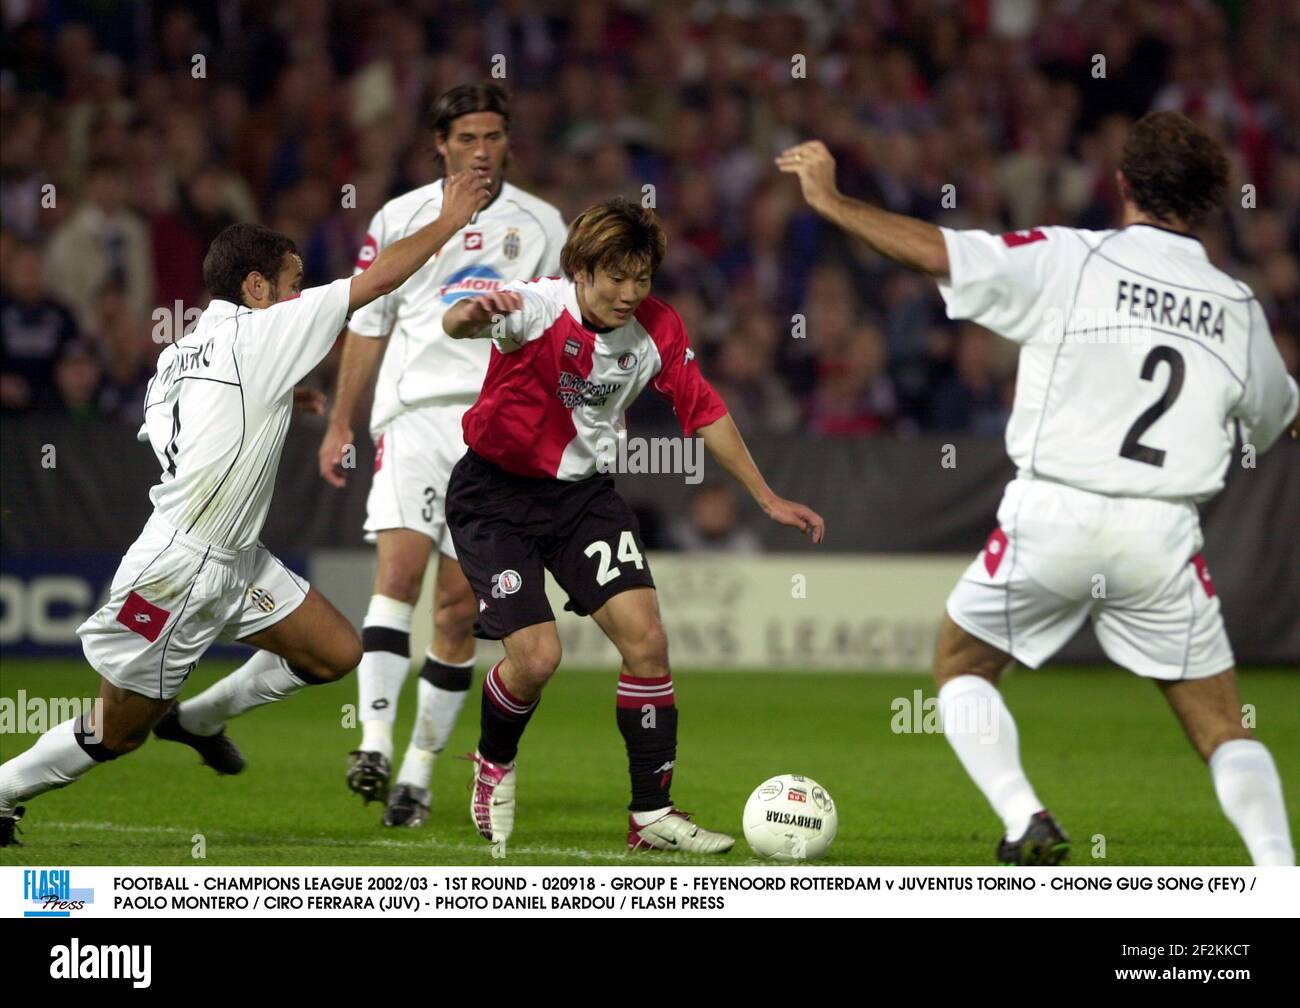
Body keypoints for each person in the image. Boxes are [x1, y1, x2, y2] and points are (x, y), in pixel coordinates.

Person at [778, 111, 1298, 866]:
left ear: (1120, 183)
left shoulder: (1069, 257)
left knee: (961, 666)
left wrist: (831, 201)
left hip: (1055, 510)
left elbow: (935, 250)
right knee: (1222, 727)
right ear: (1210, 202)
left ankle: (1026, 817)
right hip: (1162, 534)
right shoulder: (1238, 308)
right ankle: (1280, 877)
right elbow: (1280, 416)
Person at [0, 170, 491, 847]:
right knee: (117, 732)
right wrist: (447, 221)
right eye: (292, 285)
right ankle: (4, 790)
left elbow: (180, 424)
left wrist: (282, 399)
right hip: (177, 573)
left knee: (334, 652)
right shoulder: (259, 337)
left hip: (232, 559)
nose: (299, 297)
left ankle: (198, 718)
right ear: (256, 288)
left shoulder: (180, 353)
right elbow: (374, 282)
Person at [439, 197, 826, 856]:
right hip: (495, 498)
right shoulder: (536, 306)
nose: (628, 292)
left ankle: (651, 814)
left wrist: (764, 497)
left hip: (583, 499)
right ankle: (493, 765)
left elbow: (703, 410)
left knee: (646, 639)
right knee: (536, 660)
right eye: (614, 276)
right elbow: (459, 322)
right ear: (581, 271)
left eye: (641, 277)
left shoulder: (659, 329)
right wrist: (471, 314)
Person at [317, 82, 567, 828]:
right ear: (440, 144)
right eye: (467, 139)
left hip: (492, 432)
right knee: (396, 574)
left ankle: (418, 777)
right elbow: (368, 321)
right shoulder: (400, 215)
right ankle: (372, 743)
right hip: (417, 417)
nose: (482, 151)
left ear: (508, 141)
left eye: (494, 136)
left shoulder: (543, 224)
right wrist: (341, 422)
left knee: (458, 610)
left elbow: (557, 330)